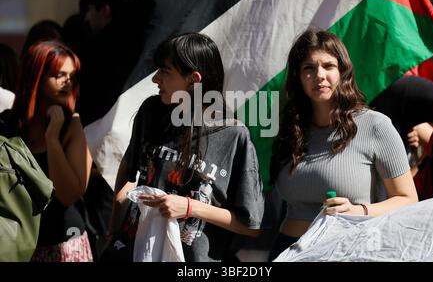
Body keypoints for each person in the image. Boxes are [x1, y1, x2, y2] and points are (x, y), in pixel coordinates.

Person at [106, 32, 264, 262]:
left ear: (193, 80)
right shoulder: (151, 111)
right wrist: (113, 228)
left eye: (165, 71)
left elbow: (251, 225)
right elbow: (130, 171)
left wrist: (190, 208)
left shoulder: (233, 135)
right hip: (133, 253)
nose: (155, 79)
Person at [269, 29, 418, 260]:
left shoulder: (375, 125)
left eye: (328, 66)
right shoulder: (289, 128)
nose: (319, 75)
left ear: (343, 72)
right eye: (309, 68)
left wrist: (359, 211)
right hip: (287, 250)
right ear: (298, 76)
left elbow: (408, 199)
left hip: (347, 251)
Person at [0, 41, 93, 261]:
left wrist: (52, 139)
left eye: (72, 75)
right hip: (15, 245)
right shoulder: (7, 125)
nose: (68, 82)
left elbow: (69, 194)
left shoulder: (72, 126)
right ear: (36, 76)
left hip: (62, 243)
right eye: (59, 75)